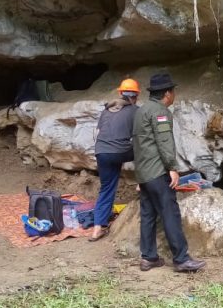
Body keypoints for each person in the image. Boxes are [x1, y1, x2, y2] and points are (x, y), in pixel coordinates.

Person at [132, 72, 206, 272]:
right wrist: (172, 168)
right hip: (157, 172)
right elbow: (164, 143)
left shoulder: (140, 111)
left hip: (144, 173)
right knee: (170, 213)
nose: (174, 95)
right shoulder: (160, 112)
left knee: (148, 215)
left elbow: (138, 145)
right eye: (173, 91)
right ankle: (181, 259)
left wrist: (139, 175)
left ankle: (148, 258)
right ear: (167, 93)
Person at [88, 78, 140, 241]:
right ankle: (143, 182)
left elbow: (96, 134)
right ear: (136, 96)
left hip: (101, 152)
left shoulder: (106, 111)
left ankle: (97, 229)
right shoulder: (135, 110)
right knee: (146, 147)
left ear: (120, 93)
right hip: (121, 151)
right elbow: (140, 136)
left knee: (106, 188)